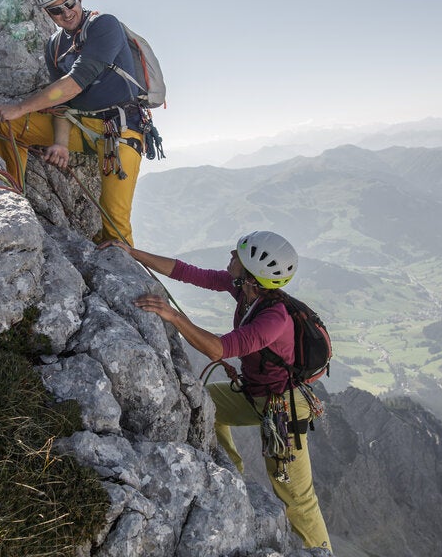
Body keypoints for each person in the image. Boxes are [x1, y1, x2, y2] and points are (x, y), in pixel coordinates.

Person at [102, 231, 333, 553]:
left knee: (296, 496)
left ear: (251, 274)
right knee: (206, 401)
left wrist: (173, 316)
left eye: (237, 255)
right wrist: (133, 252)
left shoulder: (273, 318)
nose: (231, 255)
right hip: (258, 392)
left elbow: (218, 349)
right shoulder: (246, 291)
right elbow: (188, 273)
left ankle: (321, 551)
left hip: (284, 407)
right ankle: (232, 471)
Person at [0, 0, 146, 245]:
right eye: (55, 9)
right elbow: (64, 104)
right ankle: (12, 196)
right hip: (83, 126)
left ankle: (126, 265)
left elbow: (75, 83)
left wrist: (21, 106)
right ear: (46, 12)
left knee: (115, 224)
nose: (66, 13)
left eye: (70, 2)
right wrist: (60, 143)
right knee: (10, 124)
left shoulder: (105, 26)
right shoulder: (54, 46)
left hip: (121, 130)